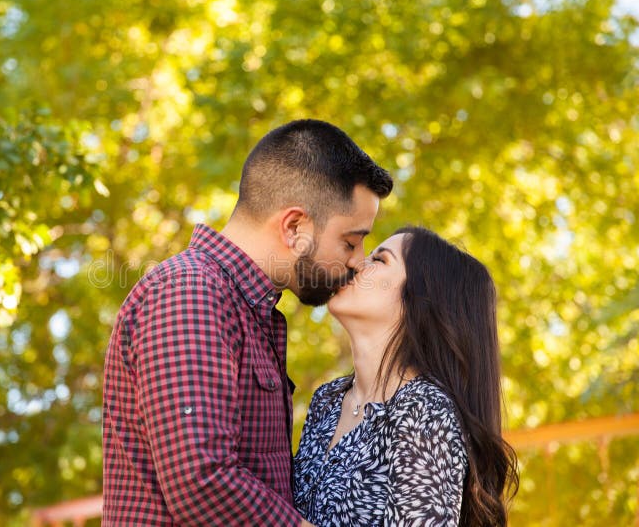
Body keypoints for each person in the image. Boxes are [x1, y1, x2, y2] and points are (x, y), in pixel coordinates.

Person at [102, 119, 393, 526]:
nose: (358, 260)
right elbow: (201, 481)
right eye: (350, 241)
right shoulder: (190, 291)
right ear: (295, 227)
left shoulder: (249, 311)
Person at [293, 226, 519, 526]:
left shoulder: (424, 411)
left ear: (419, 300)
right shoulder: (327, 400)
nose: (355, 263)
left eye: (380, 260)